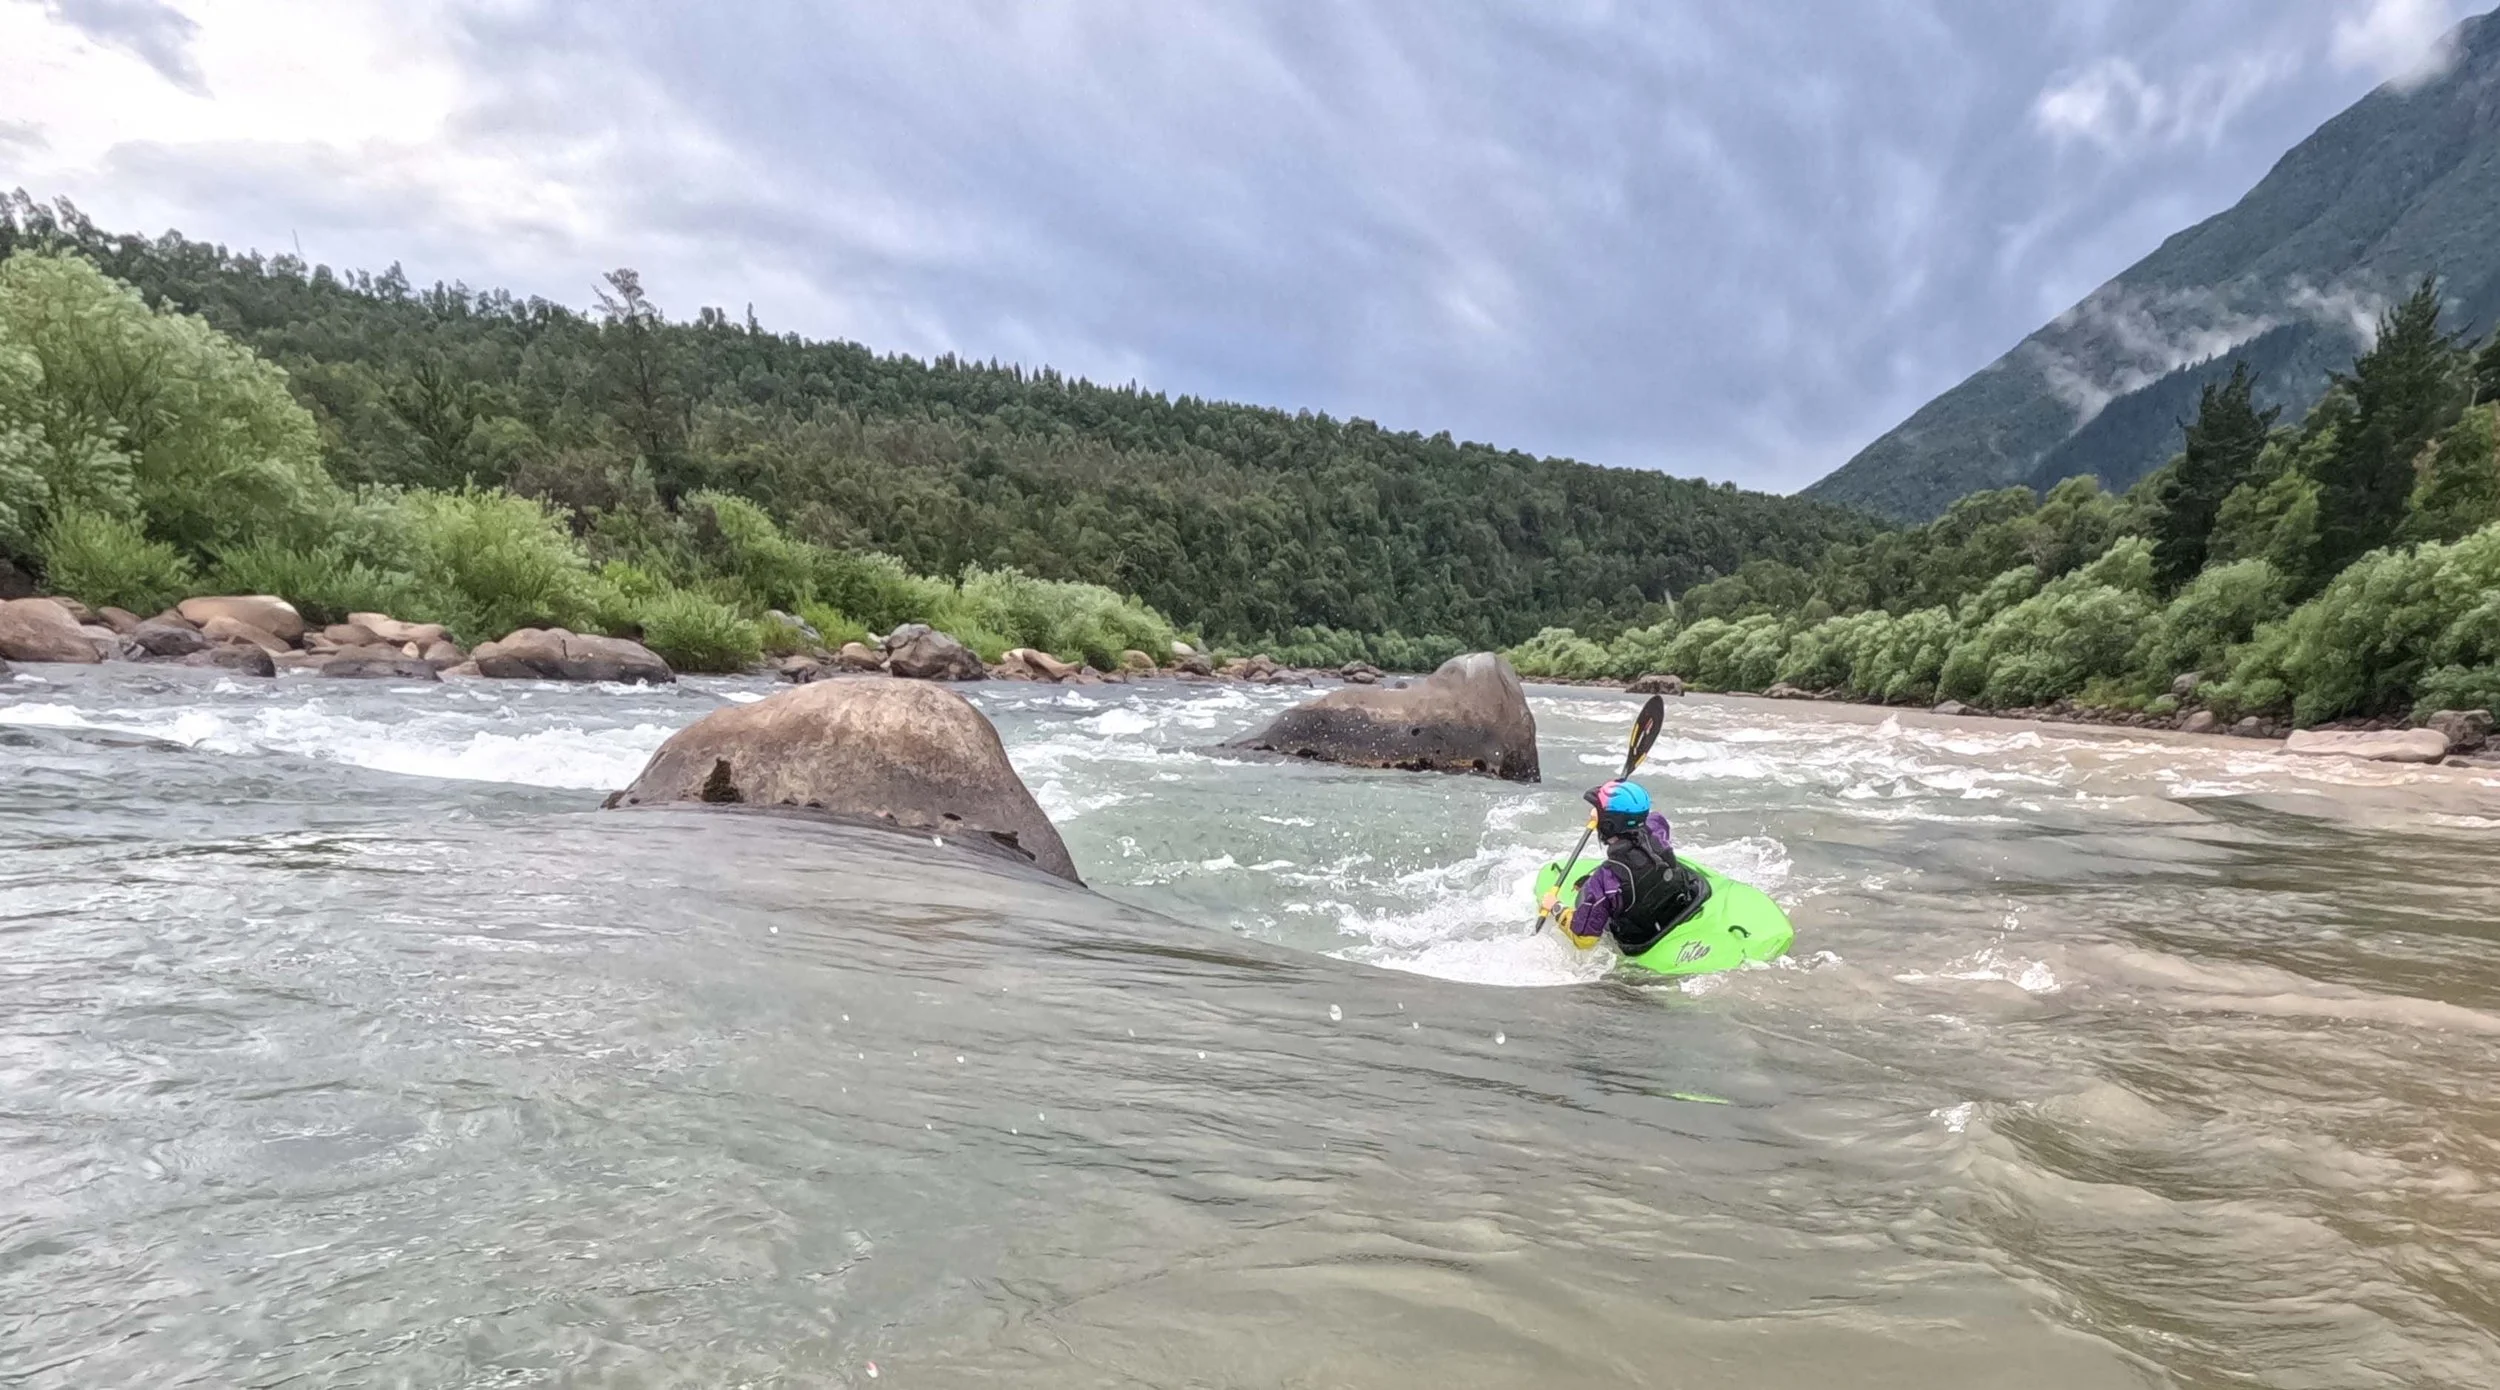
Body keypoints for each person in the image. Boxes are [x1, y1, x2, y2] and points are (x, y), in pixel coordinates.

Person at [1559, 779, 1704, 955]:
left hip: (1641, 934)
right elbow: (1646, 819)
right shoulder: (1657, 827)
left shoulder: (1606, 879)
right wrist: (1606, 812)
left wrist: (1556, 909)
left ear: (1608, 825)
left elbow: (1584, 939)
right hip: (1676, 907)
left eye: (1597, 810)